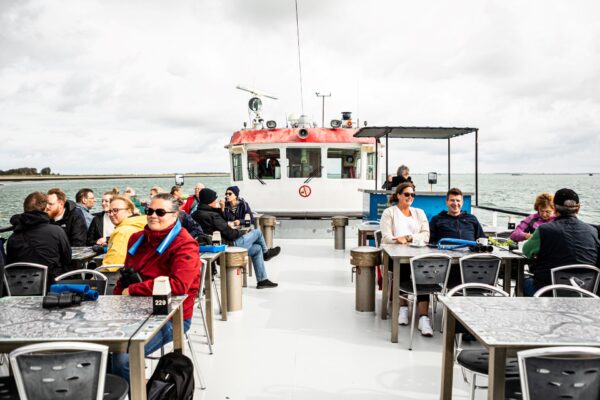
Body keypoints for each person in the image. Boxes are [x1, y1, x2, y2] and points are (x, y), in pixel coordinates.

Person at [111, 193, 200, 382]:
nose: (153, 215)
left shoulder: (185, 244)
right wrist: (115, 300)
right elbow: (125, 276)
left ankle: (139, 392)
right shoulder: (136, 239)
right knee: (99, 350)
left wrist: (134, 290)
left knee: (122, 358)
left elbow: (179, 285)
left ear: (175, 215)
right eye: (149, 211)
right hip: (132, 311)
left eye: (160, 212)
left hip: (170, 316)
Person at [192, 188, 280, 289]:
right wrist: (243, 232)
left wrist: (221, 211)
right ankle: (266, 253)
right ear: (209, 201)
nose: (216, 201)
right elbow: (230, 234)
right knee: (257, 232)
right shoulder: (212, 215)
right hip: (227, 245)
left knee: (257, 249)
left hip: (212, 245)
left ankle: (262, 280)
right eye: (214, 200)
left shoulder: (195, 214)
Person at [523, 188, 600, 294]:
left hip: (547, 292)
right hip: (585, 293)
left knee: (525, 282)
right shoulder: (593, 231)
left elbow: (526, 251)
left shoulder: (544, 230)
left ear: (554, 208)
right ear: (578, 209)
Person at [379, 183, 432, 336]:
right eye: (407, 194)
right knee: (401, 268)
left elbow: (426, 235)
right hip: (395, 255)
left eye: (412, 195)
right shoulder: (389, 213)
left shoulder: (419, 212)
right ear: (399, 195)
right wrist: (398, 240)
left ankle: (424, 318)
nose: (410, 197)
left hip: (418, 255)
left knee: (424, 275)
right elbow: (386, 237)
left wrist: (408, 237)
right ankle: (402, 308)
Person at [7, 192, 72, 286]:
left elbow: (10, 264)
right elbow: (67, 259)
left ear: (25, 209)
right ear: (46, 209)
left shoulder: (13, 238)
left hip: (18, 288)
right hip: (51, 285)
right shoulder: (57, 231)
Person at [102, 195, 146, 266]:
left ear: (129, 211)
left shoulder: (123, 232)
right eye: (109, 211)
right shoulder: (140, 225)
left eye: (116, 210)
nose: (111, 214)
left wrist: (96, 276)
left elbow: (112, 264)